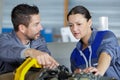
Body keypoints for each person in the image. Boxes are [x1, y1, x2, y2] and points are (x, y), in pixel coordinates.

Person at [0, 3, 59, 80]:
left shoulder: (39, 39)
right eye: (36, 24)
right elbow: (6, 51)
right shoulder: (4, 39)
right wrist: (30, 52)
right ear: (22, 28)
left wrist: (47, 62)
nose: (41, 28)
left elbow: (44, 53)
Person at [67, 5, 120, 79]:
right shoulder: (75, 55)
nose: (74, 29)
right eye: (71, 25)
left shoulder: (106, 36)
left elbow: (106, 55)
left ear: (89, 22)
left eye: (79, 24)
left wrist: (98, 72)